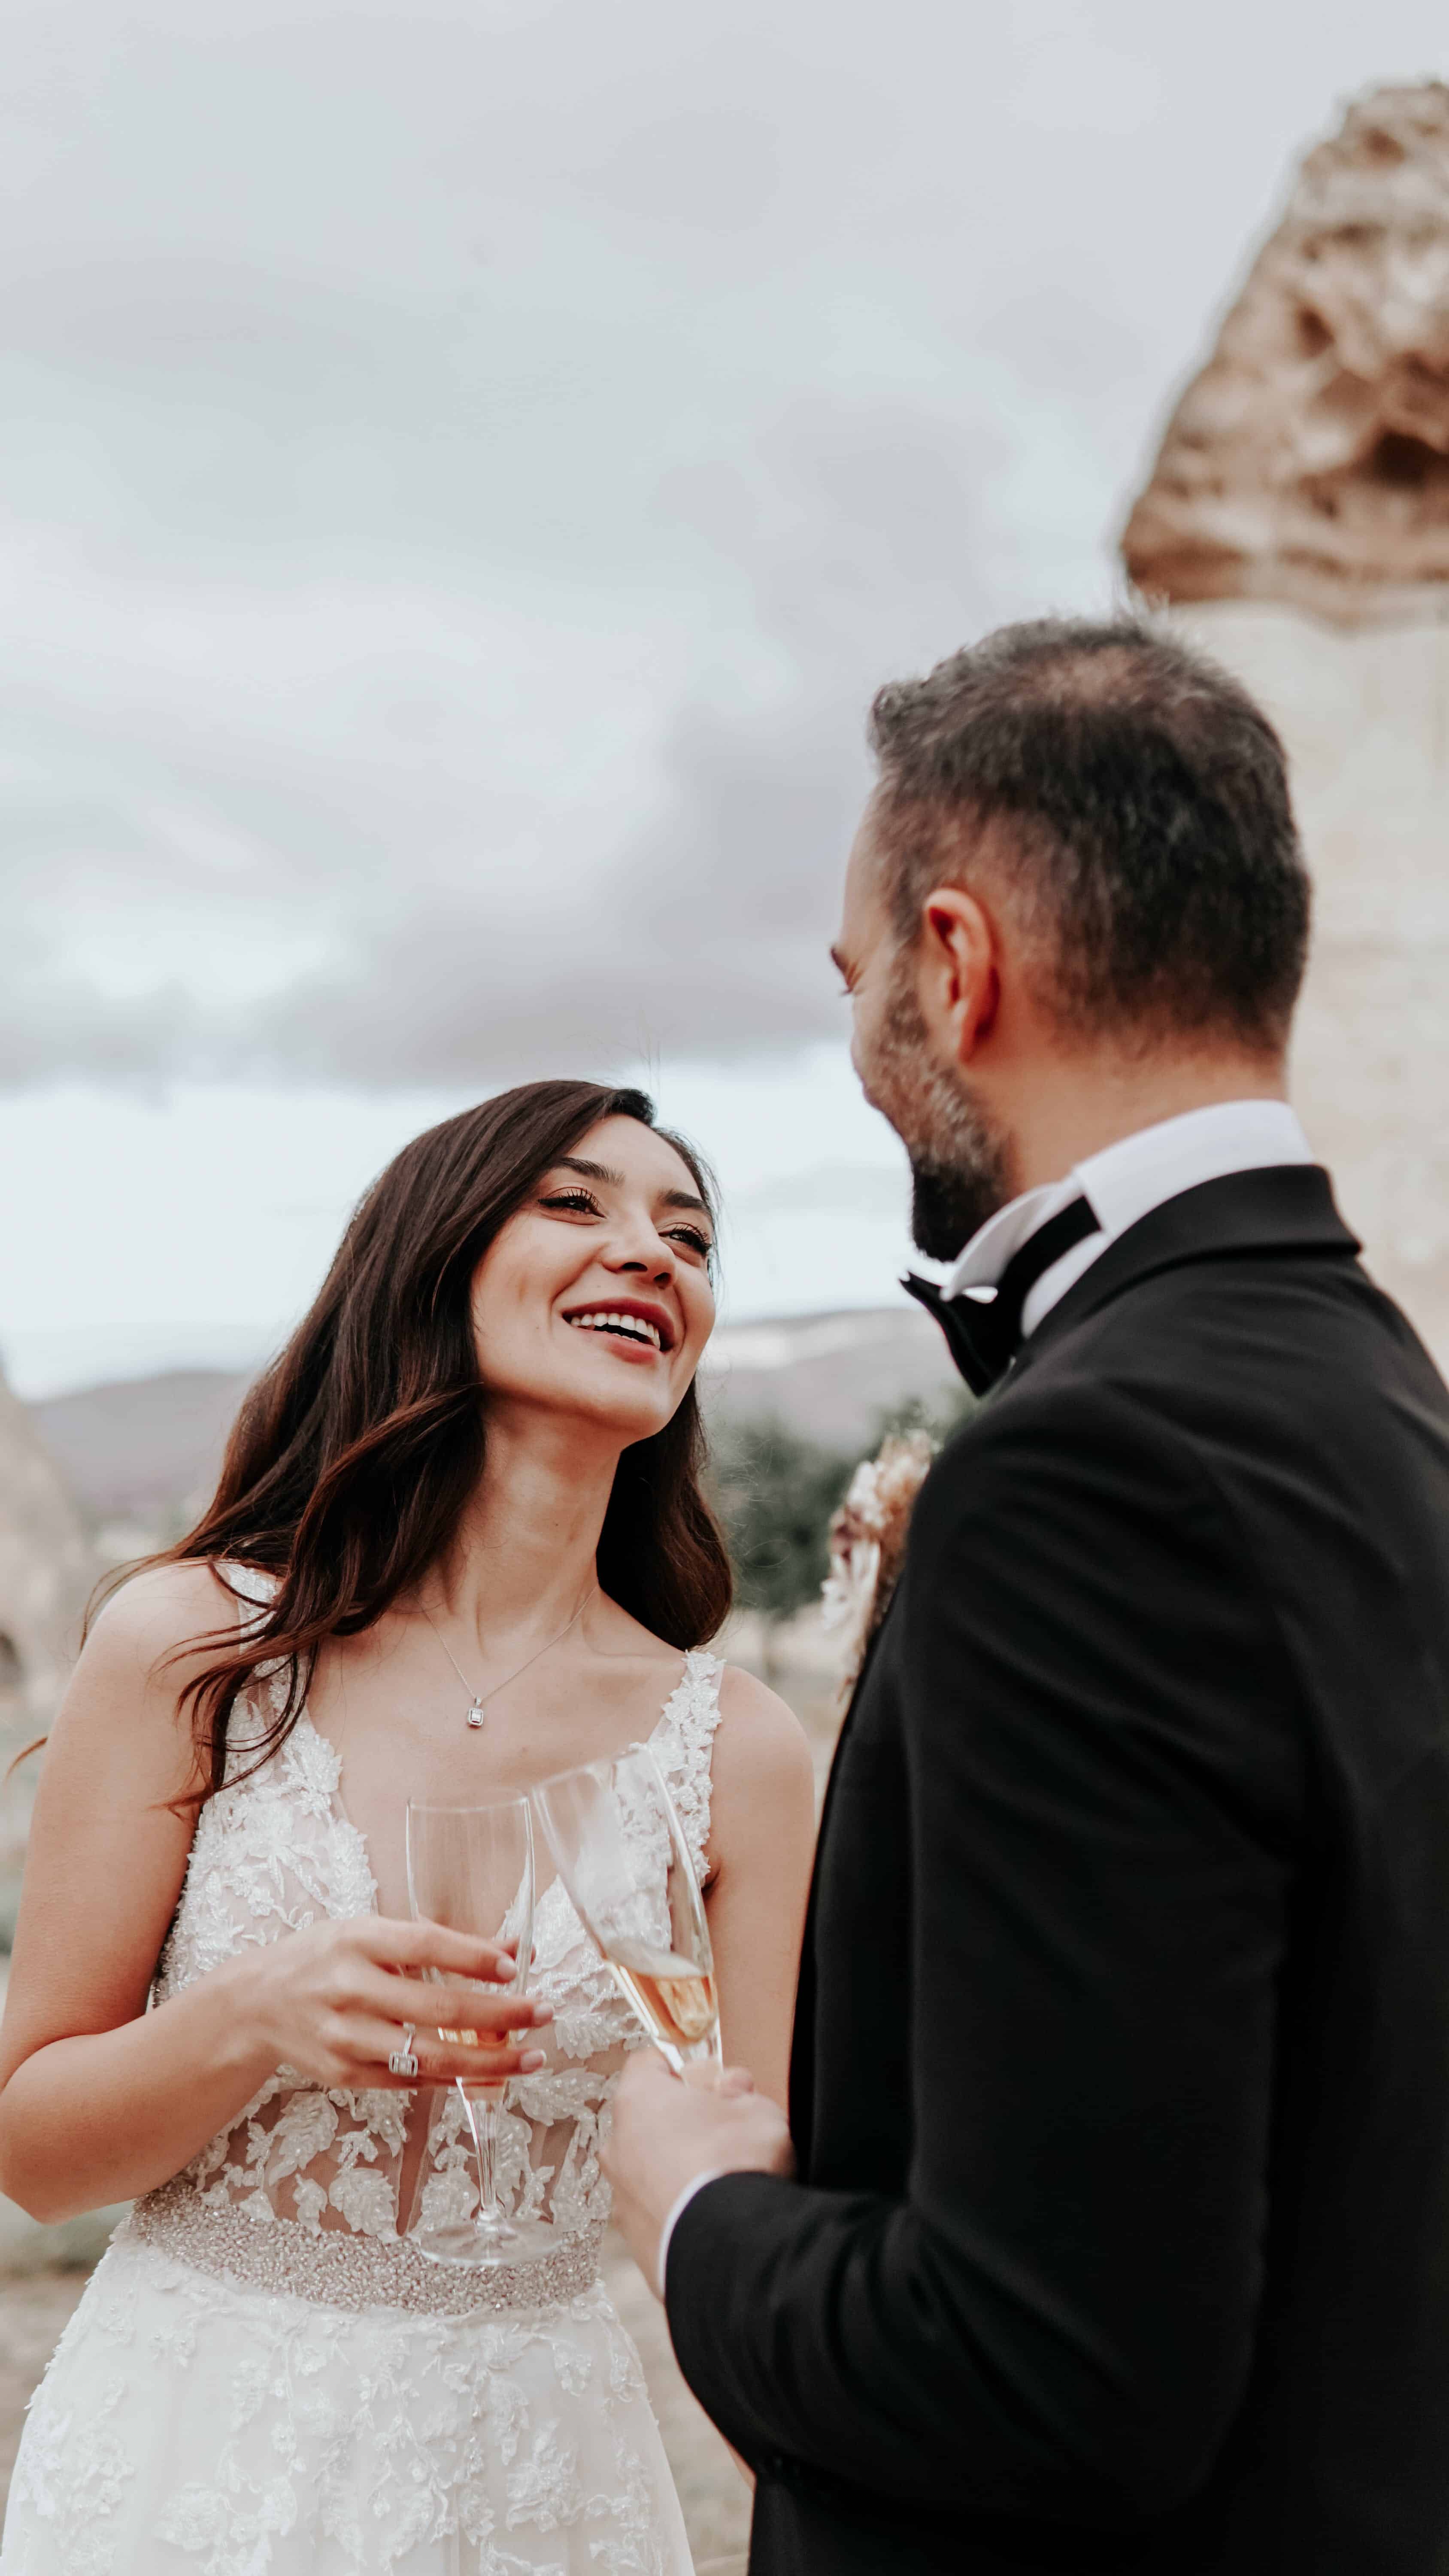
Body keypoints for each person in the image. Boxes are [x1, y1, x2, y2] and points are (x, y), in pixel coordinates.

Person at [604, 617, 1449, 2575]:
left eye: (856, 977)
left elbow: (1038, 2368)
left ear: (958, 968)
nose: (858, 1044)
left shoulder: (1087, 1474)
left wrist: (691, 2208)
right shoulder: (1378, 1396)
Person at [0, 1077, 815, 2575]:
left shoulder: (741, 1751)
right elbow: (34, 2150)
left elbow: (772, 2211)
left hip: (547, 2484)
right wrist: (250, 2015)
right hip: (194, 2467)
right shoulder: (196, 1649)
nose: (651, 1253)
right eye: (576, 1205)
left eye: (688, 1236)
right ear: (431, 1266)